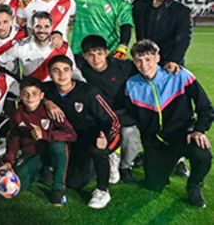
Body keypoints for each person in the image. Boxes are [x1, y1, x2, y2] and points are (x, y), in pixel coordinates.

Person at [125, 39, 213, 208]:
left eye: (148, 59)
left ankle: (194, 185)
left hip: (184, 135)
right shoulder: (131, 85)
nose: (144, 65)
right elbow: (131, 115)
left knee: (202, 154)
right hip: (156, 143)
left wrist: (199, 130)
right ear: (134, 62)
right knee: (154, 185)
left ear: (158, 58)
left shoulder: (179, 75)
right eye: (138, 60)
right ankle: (156, 159)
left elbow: (205, 106)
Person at [43, 55, 121, 209]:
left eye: (66, 70)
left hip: (98, 135)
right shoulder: (47, 90)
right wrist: (47, 102)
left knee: (98, 150)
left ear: (72, 72)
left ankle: (103, 189)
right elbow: (27, 92)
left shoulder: (89, 92)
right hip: (74, 138)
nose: (61, 74)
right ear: (50, 74)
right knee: (73, 183)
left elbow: (113, 120)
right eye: (56, 71)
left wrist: (106, 138)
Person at [0, 77, 77, 206]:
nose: (30, 98)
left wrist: (45, 134)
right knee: (17, 185)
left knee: (58, 146)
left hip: (51, 152)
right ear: (20, 95)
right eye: (26, 94)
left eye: (34, 94)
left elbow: (71, 135)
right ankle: (40, 173)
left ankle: (58, 188)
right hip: (32, 154)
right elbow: (13, 138)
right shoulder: (17, 114)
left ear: (42, 96)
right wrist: (8, 161)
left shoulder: (51, 111)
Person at [77, 35, 140, 184]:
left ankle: (125, 166)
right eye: (90, 55)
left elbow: (146, 68)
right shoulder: (81, 67)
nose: (96, 59)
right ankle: (110, 157)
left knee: (129, 133)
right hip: (98, 115)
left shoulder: (122, 66)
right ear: (84, 56)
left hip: (122, 112)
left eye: (99, 53)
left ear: (106, 52)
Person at [132, 0, 193, 73]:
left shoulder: (182, 11)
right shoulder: (139, 5)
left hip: (168, 65)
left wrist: (174, 60)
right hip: (144, 64)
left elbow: (183, 39)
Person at [13, 11, 82, 82]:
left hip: (56, 87)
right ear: (32, 27)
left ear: (51, 27)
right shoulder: (20, 46)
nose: (42, 30)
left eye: (46, 26)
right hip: (32, 87)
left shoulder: (63, 47)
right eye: (38, 26)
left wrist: (83, 84)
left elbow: (73, 70)